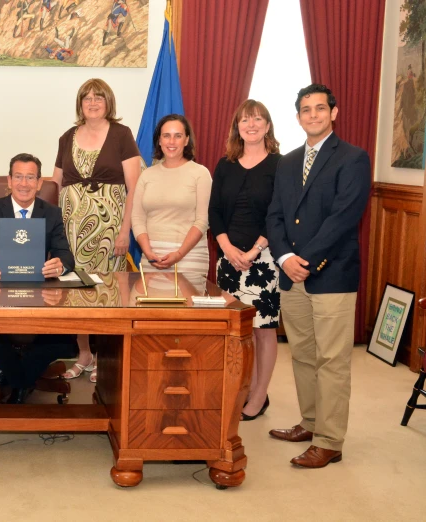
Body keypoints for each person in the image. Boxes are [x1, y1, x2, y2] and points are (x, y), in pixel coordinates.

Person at [266, 84, 371, 468]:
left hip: (332, 275)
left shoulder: (353, 158)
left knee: (332, 360)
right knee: (303, 356)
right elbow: (275, 215)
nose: (313, 115)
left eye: (320, 108)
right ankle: (310, 423)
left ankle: (329, 441)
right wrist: (284, 257)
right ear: (297, 117)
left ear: (334, 112)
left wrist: (305, 260)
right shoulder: (289, 161)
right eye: (305, 110)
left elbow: (344, 218)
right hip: (291, 276)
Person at [0, 153, 77, 403]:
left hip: (41, 297)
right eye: (19, 177)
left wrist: (61, 265)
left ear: (39, 183)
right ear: (9, 180)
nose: (24, 183)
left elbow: (66, 256)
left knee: (64, 341)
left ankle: (11, 376)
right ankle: (23, 380)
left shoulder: (51, 213)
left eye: (31, 178)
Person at [53, 78, 140, 382]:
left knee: (106, 293)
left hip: (109, 230)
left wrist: (125, 231)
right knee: (76, 293)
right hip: (71, 230)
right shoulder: (67, 136)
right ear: (80, 103)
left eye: (98, 97)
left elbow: (135, 189)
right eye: (87, 97)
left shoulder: (122, 135)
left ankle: (105, 356)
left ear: (108, 102)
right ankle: (84, 354)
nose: (92, 102)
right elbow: (55, 185)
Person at [209, 100, 282, 421]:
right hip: (228, 259)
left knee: (263, 330)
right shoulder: (225, 165)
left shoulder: (282, 165)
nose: (250, 125)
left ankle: (259, 395)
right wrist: (226, 248)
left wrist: (253, 252)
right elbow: (214, 211)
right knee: (235, 330)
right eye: (244, 120)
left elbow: (280, 214)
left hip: (263, 261)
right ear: (236, 127)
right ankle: (239, 387)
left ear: (267, 126)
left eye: (257, 119)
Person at [132, 114, 211, 275]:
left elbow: (202, 221)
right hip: (151, 258)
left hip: (189, 258)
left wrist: (179, 254)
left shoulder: (201, 174)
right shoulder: (146, 175)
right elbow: (137, 218)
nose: (172, 141)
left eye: (178, 136)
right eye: (166, 136)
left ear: (187, 140)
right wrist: (148, 252)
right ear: (159, 140)